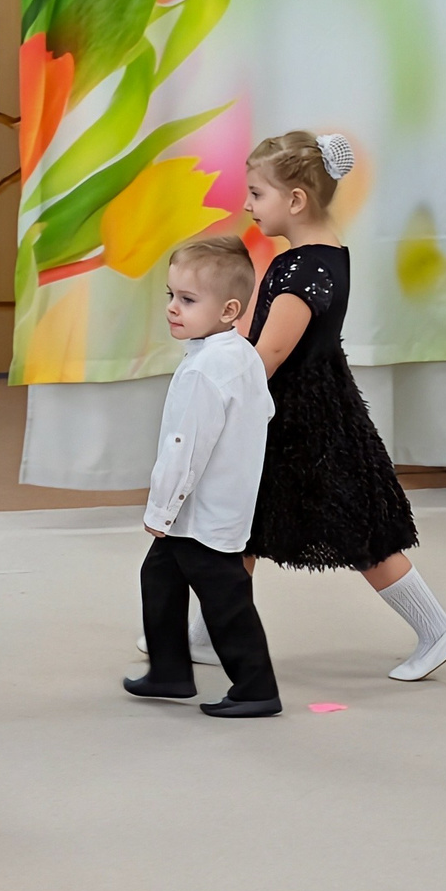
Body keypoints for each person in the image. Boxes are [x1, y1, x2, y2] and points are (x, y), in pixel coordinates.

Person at [244, 134, 446, 681]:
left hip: (307, 423)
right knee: (240, 523)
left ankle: (436, 628)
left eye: (256, 193)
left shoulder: (301, 272)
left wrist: (218, 394)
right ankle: (209, 627)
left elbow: (268, 355)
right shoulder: (320, 256)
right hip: (297, 414)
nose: (247, 205)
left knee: (362, 532)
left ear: (295, 201)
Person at [123, 235, 280, 716]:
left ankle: (257, 688)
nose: (173, 308)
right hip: (220, 505)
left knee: (225, 597)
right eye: (170, 295)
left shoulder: (203, 371)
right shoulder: (241, 355)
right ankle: (170, 671)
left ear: (230, 309)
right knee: (159, 576)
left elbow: (182, 448)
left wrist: (160, 509)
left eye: (187, 300)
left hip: (200, 512)